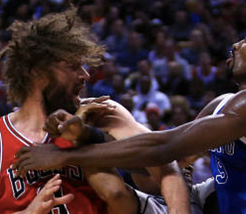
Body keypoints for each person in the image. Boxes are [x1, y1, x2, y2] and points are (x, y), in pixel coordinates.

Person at [13, 23, 246, 213]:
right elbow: (158, 170)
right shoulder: (222, 103)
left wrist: (63, 155)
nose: (236, 45)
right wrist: (94, 138)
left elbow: (166, 145)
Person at [0, 7, 191, 214]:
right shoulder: (2, 137)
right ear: (38, 72)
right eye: (73, 67)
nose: (85, 75)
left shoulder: (99, 112)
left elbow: (163, 161)